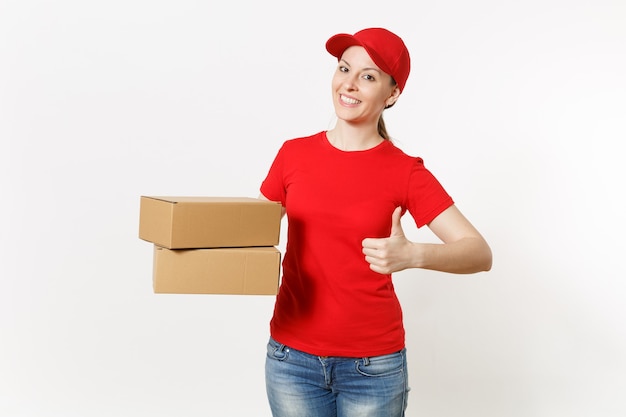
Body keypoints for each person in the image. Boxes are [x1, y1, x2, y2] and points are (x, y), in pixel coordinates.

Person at [258, 27, 492, 417]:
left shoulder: (405, 172)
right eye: (343, 68)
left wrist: (413, 254)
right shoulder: (292, 155)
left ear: (392, 93)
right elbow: (248, 232)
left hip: (372, 367)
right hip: (291, 359)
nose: (348, 84)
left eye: (367, 76)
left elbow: (479, 253)